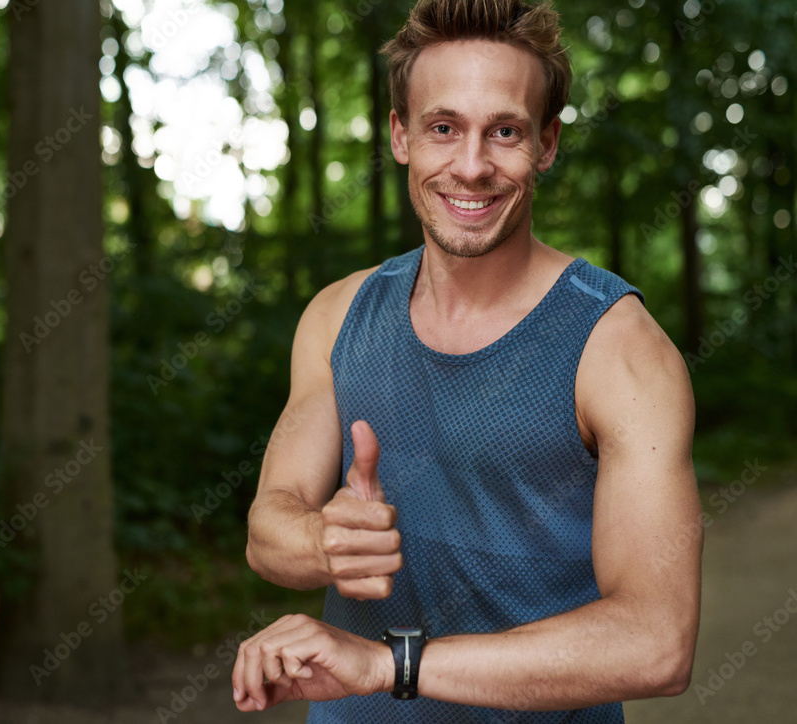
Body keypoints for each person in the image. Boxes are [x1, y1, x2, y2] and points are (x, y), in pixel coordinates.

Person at [232, 0, 702, 720]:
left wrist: (391, 664)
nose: (472, 166)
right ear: (401, 136)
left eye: (505, 132)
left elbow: (656, 641)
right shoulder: (337, 316)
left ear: (545, 144)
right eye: (443, 128)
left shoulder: (621, 350)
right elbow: (269, 530)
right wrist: (325, 541)